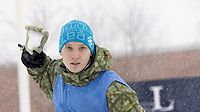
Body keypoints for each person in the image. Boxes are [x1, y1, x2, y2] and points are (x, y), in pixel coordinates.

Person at [20, 20, 145, 112]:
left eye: (82, 48)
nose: (75, 55)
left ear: (90, 52)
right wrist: (34, 59)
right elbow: (42, 71)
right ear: (61, 51)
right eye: (69, 48)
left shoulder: (113, 89)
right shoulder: (56, 76)